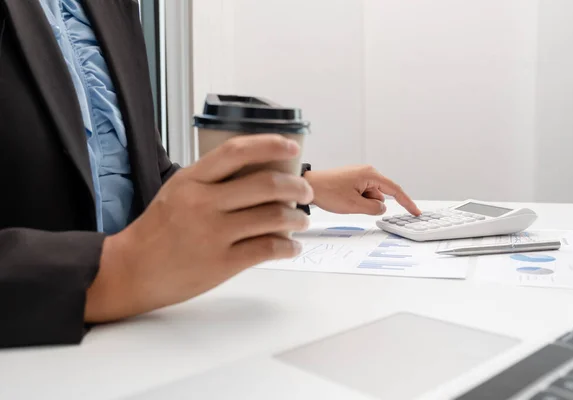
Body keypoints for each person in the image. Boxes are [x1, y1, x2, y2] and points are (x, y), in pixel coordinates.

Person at [0, 0, 420, 348]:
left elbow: (141, 179)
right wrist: (119, 268)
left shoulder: (110, 7)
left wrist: (300, 185)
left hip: (139, 339)